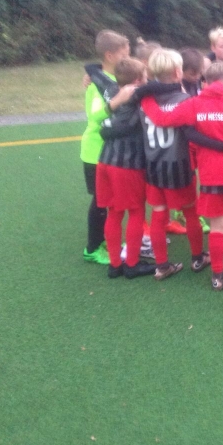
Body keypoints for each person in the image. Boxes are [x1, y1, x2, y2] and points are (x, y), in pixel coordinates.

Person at [141, 62, 223, 291]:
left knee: (218, 224)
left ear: (205, 82)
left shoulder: (194, 103)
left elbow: (162, 119)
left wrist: (145, 98)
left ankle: (217, 275)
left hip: (211, 174)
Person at [137, 49, 211, 281]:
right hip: (179, 166)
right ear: (178, 72)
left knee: (159, 214)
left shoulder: (145, 100)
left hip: (154, 166)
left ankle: (162, 265)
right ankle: (198, 257)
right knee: (190, 212)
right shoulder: (185, 101)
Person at [96, 57, 156, 279]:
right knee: (136, 212)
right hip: (127, 165)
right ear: (138, 80)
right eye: (145, 76)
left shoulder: (113, 91)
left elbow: (96, 75)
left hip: (105, 161)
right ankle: (131, 264)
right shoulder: (137, 98)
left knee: (114, 212)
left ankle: (114, 264)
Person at [80, 29, 133, 265]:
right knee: (100, 203)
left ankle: (105, 241)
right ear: (110, 55)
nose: (127, 58)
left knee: (109, 201)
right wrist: (117, 101)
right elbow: (95, 115)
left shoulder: (109, 78)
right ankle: (92, 248)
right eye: (124, 54)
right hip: (95, 152)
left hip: (110, 152)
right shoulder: (97, 85)